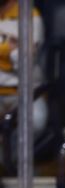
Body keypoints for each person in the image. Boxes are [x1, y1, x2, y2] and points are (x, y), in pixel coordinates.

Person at [0, 0, 47, 170]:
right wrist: (9, 48)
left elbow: (24, 61)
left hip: (26, 92)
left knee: (36, 120)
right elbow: (16, 54)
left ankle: (6, 162)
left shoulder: (30, 15)